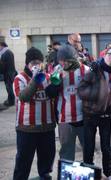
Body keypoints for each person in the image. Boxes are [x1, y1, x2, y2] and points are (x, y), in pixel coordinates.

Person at [78, 46, 111, 180]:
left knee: (106, 148)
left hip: (106, 116)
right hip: (90, 115)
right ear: (104, 55)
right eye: (110, 54)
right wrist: (98, 94)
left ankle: (108, 174)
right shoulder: (95, 69)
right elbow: (81, 90)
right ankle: (88, 174)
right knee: (89, 147)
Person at [13, 47, 56, 180]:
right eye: (33, 63)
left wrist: (57, 79)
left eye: (39, 62)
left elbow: (54, 94)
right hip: (26, 129)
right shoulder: (19, 78)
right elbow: (23, 97)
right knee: (23, 163)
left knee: (46, 162)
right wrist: (35, 80)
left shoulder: (47, 77)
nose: (36, 65)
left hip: (46, 127)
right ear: (27, 64)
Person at [54, 45, 90, 161]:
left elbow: (94, 92)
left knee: (88, 150)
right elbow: (51, 93)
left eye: (67, 60)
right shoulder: (57, 70)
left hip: (84, 117)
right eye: (61, 61)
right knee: (66, 153)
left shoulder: (85, 70)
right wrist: (57, 80)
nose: (64, 63)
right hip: (65, 118)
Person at [0, 42, 17, 106]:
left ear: (2, 46)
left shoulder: (5, 53)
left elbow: (3, 65)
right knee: (9, 87)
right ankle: (10, 100)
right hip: (10, 73)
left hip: (8, 74)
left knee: (9, 88)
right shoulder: (8, 52)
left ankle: (11, 102)